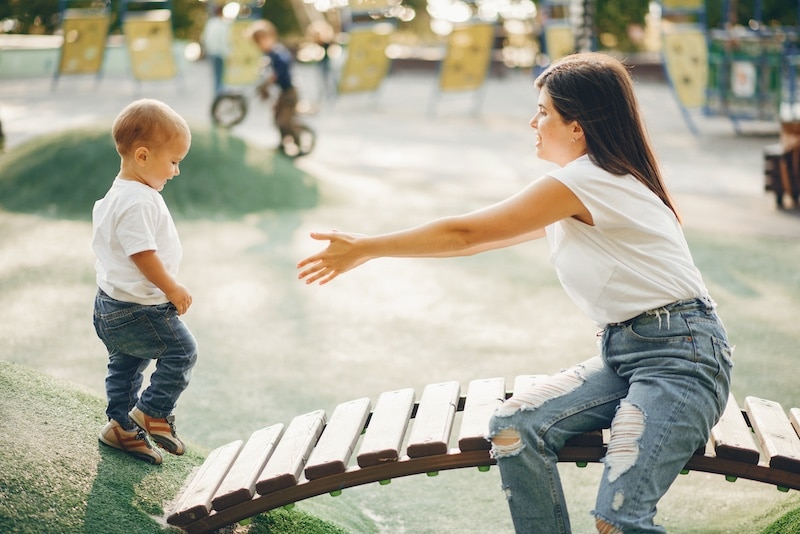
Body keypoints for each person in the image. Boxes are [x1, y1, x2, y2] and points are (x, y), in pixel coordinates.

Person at [296, 52, 733, 533]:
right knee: (513, 428)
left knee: (618, 520)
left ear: (577, 127)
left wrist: (368, 247)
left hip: (680, 358)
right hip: (627, 355)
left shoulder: (588, 180)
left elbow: (465, 234)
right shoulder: (592, 183)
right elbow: (480, 241)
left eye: (544, 111)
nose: (533, 121)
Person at [93, 98, 198, 465]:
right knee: (182, 352)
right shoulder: (138, 201)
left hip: (111, 306)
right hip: (139, 310)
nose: (176, 172)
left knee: (126, 365)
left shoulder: (119, 195)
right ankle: (152, 412)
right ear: (142, 156)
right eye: (173, 162)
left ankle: (120, 426)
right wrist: (171, 287)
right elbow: (142, 255)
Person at [248, 19, 305, 151]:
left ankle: (299, 144)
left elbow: (283, 67)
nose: (260, 44)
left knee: (285, 121)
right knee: (276, 118)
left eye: (262, 40)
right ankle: (283, 143)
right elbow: (266, 66)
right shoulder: (269, 54)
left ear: (271, 37)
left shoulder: (278, 52)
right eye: (257, 42)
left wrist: (272, 78)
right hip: (282, 92)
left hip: (289, 91)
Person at [201, 4, 231, 95]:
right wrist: (228, 53)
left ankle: (217, 93)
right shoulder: (222, 24)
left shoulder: (210, 23)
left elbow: (205, 38)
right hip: (220, 53)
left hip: (212, 52)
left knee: (215, 75)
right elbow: (224, 40)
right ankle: (219, 94)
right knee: (220, 75)